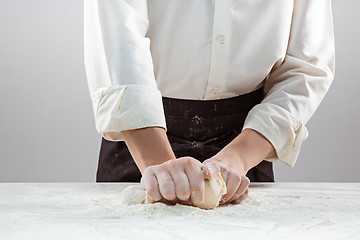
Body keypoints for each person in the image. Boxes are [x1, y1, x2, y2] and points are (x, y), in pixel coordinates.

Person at [84, 0, 335, 206]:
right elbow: (116, 33)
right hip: (138, 140)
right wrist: (160, 166)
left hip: (243, 155)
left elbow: (307, 67)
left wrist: (237, 158)